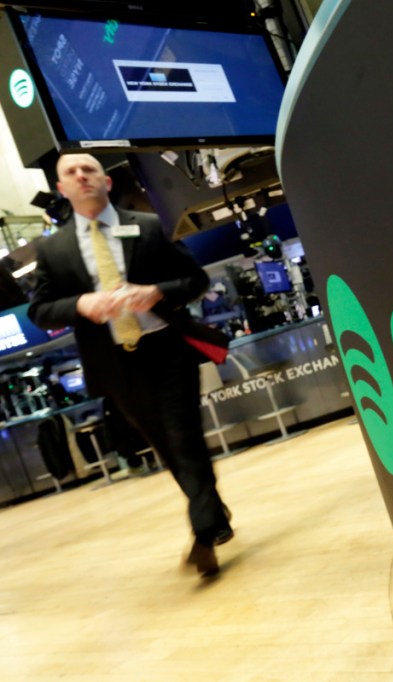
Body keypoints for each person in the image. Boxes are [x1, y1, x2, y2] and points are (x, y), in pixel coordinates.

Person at [28, 153, 233, 578]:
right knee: (166, 445)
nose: (81, 176)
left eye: (89, 170)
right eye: (71, 173)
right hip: (115, 362)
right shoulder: (52, 250)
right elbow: (41, 310)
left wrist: (155, 291)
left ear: (106, 180)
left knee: (185, 437)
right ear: (61, 189)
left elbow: (195, 281)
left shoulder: (148, 226)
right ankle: (214, 513)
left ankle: (204, 531)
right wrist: (81, 303)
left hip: (167, 350)